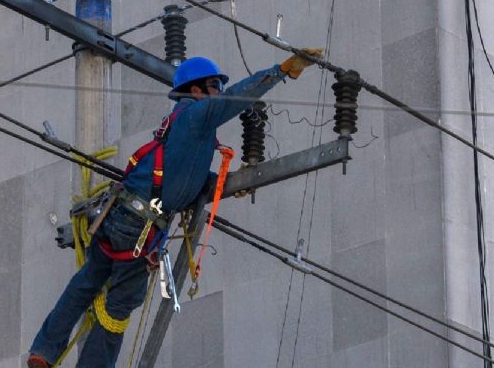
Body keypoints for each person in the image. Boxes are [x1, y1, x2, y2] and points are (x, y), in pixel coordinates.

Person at [28, 49, 322, 368]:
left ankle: (43, 350)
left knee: (85, 284)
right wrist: (281, 71)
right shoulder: (197, 116)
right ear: (195, 90)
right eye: (213, 86)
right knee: (117, 309)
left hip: (118, 216)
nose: (218, 92)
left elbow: (183, 181)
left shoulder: (182, 127)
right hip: (140, 228)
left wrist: (224, 185)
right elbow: (238, 97)